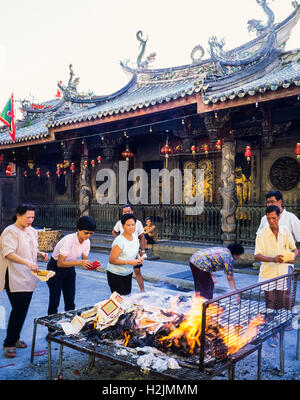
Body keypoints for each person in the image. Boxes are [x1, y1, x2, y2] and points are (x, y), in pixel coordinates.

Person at [0, 204, 48, 358]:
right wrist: (28, 263)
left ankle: (15, 338)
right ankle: (9, 343)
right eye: (28, 217)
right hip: (13, 275)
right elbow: (9, 253)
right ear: (18, 215)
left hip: (28, 275)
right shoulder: (10, 231)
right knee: (19, 310)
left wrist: (40, 254)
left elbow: (31, 249)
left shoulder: (32, 231)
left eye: (32, 217)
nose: (30, 220)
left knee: (22, 310)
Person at [254, 205, 298, 347]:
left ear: (279, 217)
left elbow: (294, 248)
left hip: (282, 273)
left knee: (281, 301)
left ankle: (280, 327)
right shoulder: (262, 234)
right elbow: (257, 256)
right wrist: (273, 259)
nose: (271, 221)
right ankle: (274, 334)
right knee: (270, 303)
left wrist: (292, 256)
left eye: (274, 218)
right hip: (268, 274)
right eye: (268, 218)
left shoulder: (285, 231)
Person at [46, 216, 96, 316]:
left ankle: (70, 325)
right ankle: (51, 329)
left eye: (91, 233)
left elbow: (84, 260)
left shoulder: (87, 242)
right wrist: (79, 263)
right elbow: (60, 263)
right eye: (86, 233)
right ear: (78, 230)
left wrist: (91, 265)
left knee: (70, 300)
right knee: (55, 300)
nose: (88, 236)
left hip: (69, 268)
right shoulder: (68, 240)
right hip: (55, 268)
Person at [107, 213, 145, 295]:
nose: (131, 227)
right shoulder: (119, 241)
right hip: (115, 274)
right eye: (128, 225)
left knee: (127, 298)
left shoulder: (135, 237)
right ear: (123, 226)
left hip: (128, 273)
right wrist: (130, 262)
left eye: (133, 225)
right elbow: (112, 260)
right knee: (119, 301)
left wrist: (138, 258)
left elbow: (135, 250)